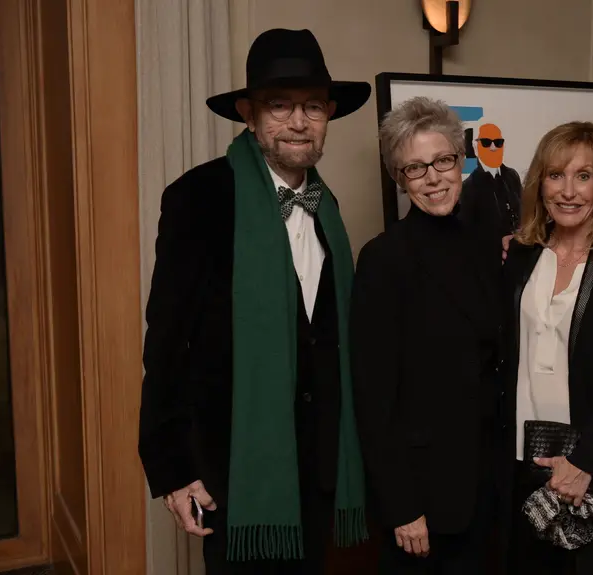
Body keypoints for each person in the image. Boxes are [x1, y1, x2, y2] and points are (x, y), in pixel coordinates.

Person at [137, 28, 370, 574]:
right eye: (279, 105)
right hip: (233, 467)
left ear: (330, 114)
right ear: (249, 113)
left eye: (313, 106)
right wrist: (174, 469)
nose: (298, 122)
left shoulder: (328, 207)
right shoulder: (199, 197)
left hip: (318, 466)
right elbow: (166, 341)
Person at [350, 96, 503, 574]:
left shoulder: (488, 245)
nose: (433, 177)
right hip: (424, 498)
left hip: (490, 484)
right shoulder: (383, 259)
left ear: (462, 161)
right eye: (415, 168)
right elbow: (372, 398)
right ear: (400, 179)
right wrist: (401, 506)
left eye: (443, 161)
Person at [499, 121, 593, 574]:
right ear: (539, 183)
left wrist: (583, 460)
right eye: (556, 175)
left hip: (592, 462)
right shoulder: (521, 254)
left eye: (583, 176)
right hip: (521, 458)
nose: (568, 191)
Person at [459, 123, 523, 239]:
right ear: (475, 148)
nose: (493, 148)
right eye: (486, 142)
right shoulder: (468, 188)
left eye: (498, 142)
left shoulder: (512, 176)